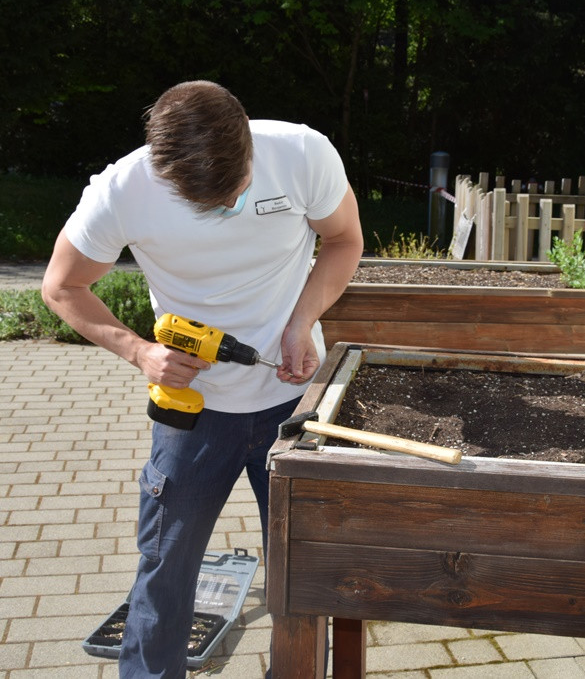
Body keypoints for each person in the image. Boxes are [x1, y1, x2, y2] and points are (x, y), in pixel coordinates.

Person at [41, 80, 363, 678]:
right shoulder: (123, 190)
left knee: (303, 568)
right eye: (202, 203)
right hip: (192, 411)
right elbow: (62, 286)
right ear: (163, 169)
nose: (220, 210)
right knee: (166, 566)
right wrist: (140, 352)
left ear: (248, 146)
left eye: (231, 194)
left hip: (297, 407)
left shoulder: (301, 153)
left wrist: (303, 321)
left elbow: (344, 239)